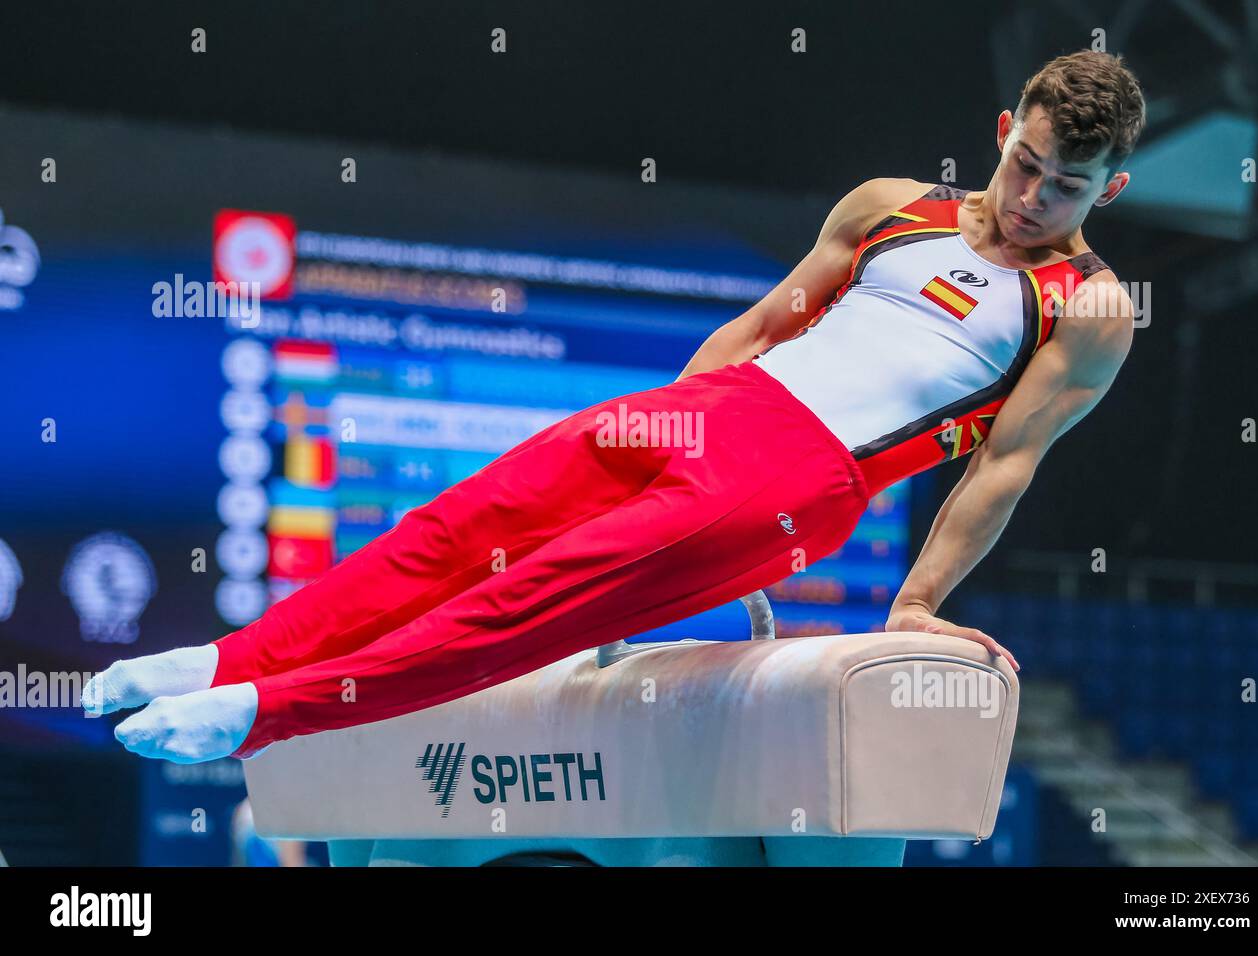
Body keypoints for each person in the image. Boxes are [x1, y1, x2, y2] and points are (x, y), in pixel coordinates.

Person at [87, 50, 1145, 763]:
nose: (1029, 198)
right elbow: (758, 327)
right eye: (1024, 164)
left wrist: (913, 600)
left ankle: (262, 713)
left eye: (1065, 184)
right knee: (448, 530)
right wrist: (677, 415)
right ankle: (230, 656)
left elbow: (1002, 463)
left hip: (801, 481)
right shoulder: (889, 207)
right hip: (714, 406)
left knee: (523, 604)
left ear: (1111, 188)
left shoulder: (1084, 305)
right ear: (1005, 130)